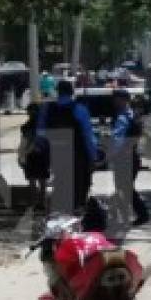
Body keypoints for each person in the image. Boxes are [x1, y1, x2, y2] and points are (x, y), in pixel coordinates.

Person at [38, 80, 98, 212]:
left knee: (60, 185)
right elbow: (88, 136)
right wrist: (93, 156)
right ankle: (76, 212)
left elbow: (41, 135)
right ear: (71, 92)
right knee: (79, 188)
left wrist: (44, 152)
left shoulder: (47, 109)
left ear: (57, 91)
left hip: (56, 155)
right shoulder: (80, 109)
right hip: (78, 155)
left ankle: (61, 213)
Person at [110, 88, 150, 228]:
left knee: (124, 187)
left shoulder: (122, 117)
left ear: (123, 100)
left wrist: (111, 154)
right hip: (132, 156)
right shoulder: (133, 115)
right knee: (124, 187)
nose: (114, 101)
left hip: (124, 158)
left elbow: (118, 139)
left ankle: (141, 214)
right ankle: (125, 215)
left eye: (116, 98)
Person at [18, 102, 50, 211]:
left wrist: (21, 156)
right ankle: (41, 203)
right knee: (42, 181)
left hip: (31, 156)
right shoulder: (44, 126)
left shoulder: (25, 127)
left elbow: (23, 143)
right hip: (42, 156)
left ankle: (34, 203)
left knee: (32, 180)